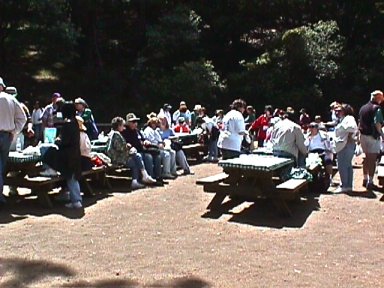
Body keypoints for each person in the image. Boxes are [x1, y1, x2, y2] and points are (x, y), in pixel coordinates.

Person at [42, 101, 82, 208]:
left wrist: (57, 140)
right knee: (73, 178)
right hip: (75, 155)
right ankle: (76, 199)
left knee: (48, 153)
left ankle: (76, 201)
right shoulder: (75, 123)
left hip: (68, 156)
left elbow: (63, 141)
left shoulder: (68, 125)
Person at [107, 116, 156, 190]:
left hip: (119, 156)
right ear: (118, 126)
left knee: (135, 159)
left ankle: (136, 181)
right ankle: (143, 176)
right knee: (136, 157)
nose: (124, 127)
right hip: (117, 158)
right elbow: (119, 148)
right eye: (122, 125)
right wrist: (128, 147)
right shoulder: (115, 134)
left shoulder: (115, 133)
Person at [0, 77, 27, 204]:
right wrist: (14, 131)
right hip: (6, 136)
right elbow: (23, 117)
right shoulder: (11, 99)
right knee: (1, 167)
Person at [121, 113, 163, 184]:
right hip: (134, 152)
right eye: (133, 122)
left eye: (136, 121)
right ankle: (150, 177)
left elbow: (143, 139)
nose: (135, 123)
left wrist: (145, 141)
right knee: (148, 157)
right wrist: (140, 143)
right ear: (128, 123)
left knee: (157, 156)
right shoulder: (125, 132)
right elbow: (128, 144)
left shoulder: (137, 130)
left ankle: (158, 176)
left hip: (143, 149)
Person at [358, 90, 384, 190]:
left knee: (366, 158)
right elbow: (377, 123)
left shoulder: (363, 108)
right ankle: (370, 181)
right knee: (372, 160)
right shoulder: (377, 108)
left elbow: (359, 122)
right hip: (372, 137)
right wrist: (382, 135)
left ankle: (364, 179)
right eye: (381, 97)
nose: (382, 99)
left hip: (363, 136)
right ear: (377, 97)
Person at [334, 104, 358, 193]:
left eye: (340, 111)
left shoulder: (349, 118)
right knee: (347, 165)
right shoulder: (344, 119)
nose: (337, 112)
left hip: (346, 145)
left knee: (342, 165)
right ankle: (348, 185)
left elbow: (352, 128)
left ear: (345, 111)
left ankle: (345, 185)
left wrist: (344, 130)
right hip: (345, 145)